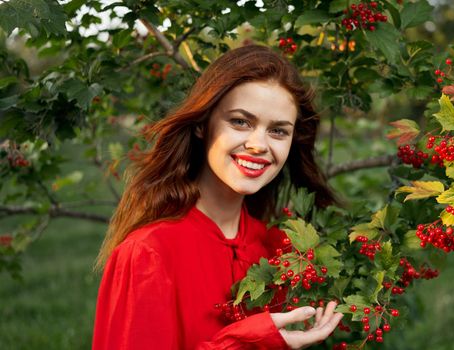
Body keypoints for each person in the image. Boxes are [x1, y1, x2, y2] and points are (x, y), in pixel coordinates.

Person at [92, 44, 344, 350]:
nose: (258, 144)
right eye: (240, 122)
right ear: (202, 124)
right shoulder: (148, 254)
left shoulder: (279, 249)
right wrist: (245, 343)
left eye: (278, 131)